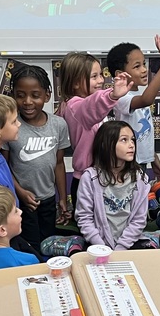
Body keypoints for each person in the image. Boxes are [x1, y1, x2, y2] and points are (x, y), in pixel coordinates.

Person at [4, 65, 71, 251]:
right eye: (20, 95)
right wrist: (20, 192)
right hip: (23, 201)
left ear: (47, 95)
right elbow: (4, 164)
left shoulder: (58, 125)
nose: (27, 101)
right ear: (13, 96)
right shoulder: (10, 126)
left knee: (49, 242)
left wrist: (62, 198)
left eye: (35, 95)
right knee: (30, 245)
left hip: (48, 198)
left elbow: (59, 163)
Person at [57, 52, 136, 208]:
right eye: (94, 77)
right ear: (75, 83)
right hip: (88, 181)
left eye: (101, 75)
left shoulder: (78, 104)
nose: (101, 80)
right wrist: (112, 95)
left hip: (99, 177)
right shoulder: (75, 105)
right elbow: (90, 107)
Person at [75, 120, 155, 250]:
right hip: (98, 245)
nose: (131, 145)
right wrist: (102, 247)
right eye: (124, 140)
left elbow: (139, 220)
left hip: (129, 243)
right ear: (105, 145)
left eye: (132, 140)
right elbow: (84, 218)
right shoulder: (90, 178)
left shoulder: (140, 178)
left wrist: (121, 247)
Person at [104, 36, 160, 183]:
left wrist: (153, 157)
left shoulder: (140, 92)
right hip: (128, 162)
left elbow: (144, 132)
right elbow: (147, 100)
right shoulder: (121, 98)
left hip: (142, 160)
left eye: (143, 64)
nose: (144, 70)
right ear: (120, 74)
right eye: (137, 66)